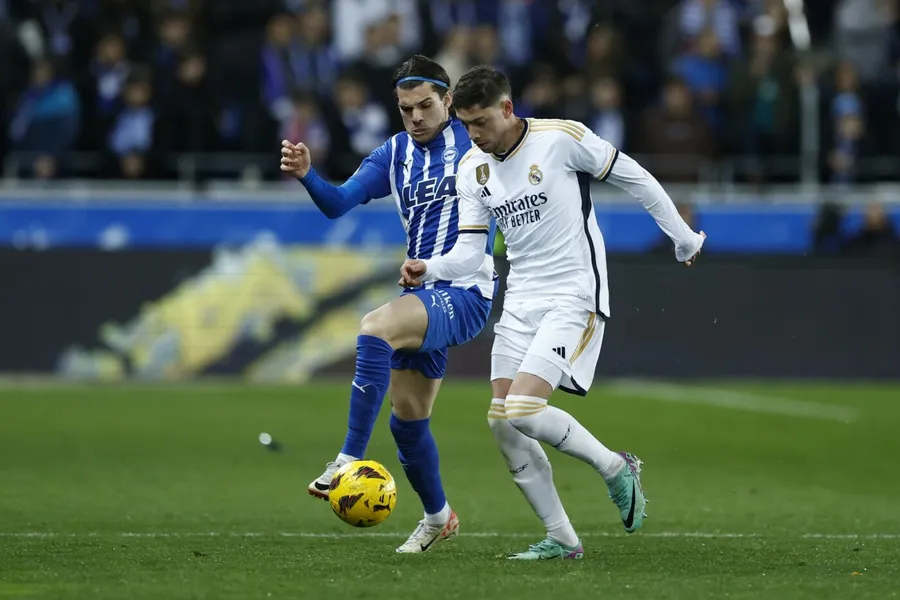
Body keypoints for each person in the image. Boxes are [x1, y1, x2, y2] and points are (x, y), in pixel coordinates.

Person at [399, 66, 706, 560]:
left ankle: (615, 467)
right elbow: (472, 252)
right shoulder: (472, 169)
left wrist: (682, 237)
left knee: (523, 409)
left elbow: (637, 177)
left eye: (480, 123)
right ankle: (563, 539)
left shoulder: (560, 139)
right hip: (520, 300)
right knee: (502, 421)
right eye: (466, 124)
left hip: (573, 293)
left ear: (506, 108)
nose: (473, 135)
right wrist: (428, 267)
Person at [280, 56, 496, 553]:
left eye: (426, 105)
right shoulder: (393, 154)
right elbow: (338, 203)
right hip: (420, 294)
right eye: (406, 109)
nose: (417, 117)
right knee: (407, 420)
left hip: (466, 293)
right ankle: (439, 516)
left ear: (448, 101)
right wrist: (310, 175)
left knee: (374, 327)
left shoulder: (476, 139)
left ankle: (346, 460)